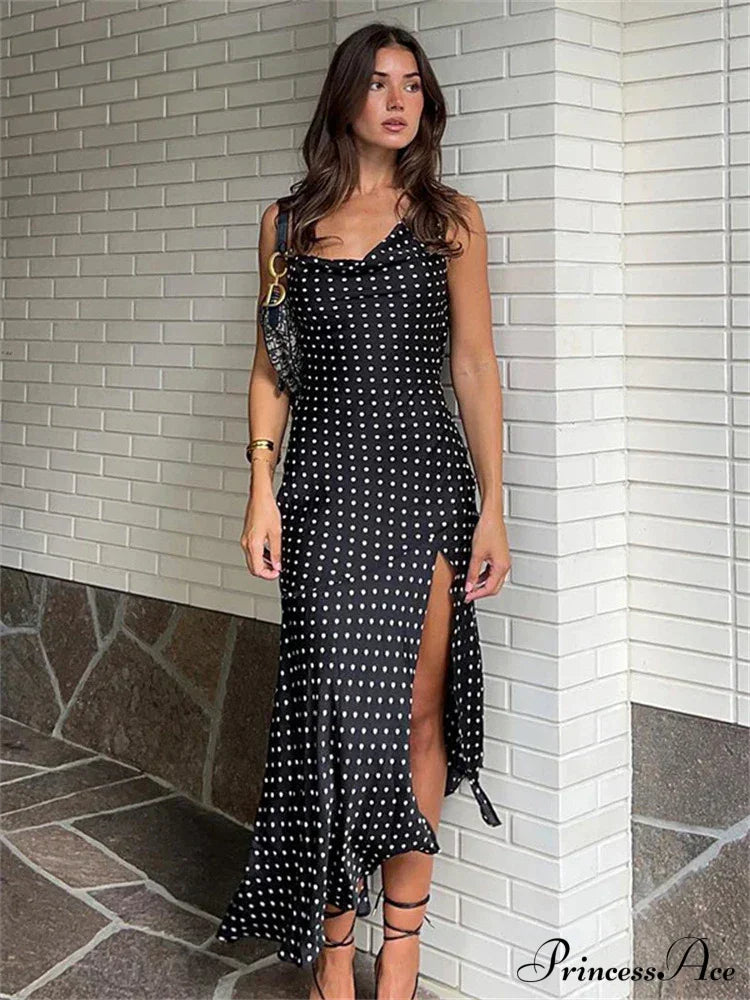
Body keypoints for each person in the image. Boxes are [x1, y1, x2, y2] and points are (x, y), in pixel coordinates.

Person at [215, 21, 511, 1000]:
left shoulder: (451, 219)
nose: (397, 101)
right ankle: (335, 951)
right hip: (322, 488)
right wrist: (260, 488)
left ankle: (406, 948)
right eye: (379, 83)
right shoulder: (287, 223)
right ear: (345, 97)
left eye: (412, 85)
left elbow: (474, 366)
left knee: (419, 714)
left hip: (424, 485)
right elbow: (272, 366)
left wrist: (494, 505)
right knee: (334, 724)